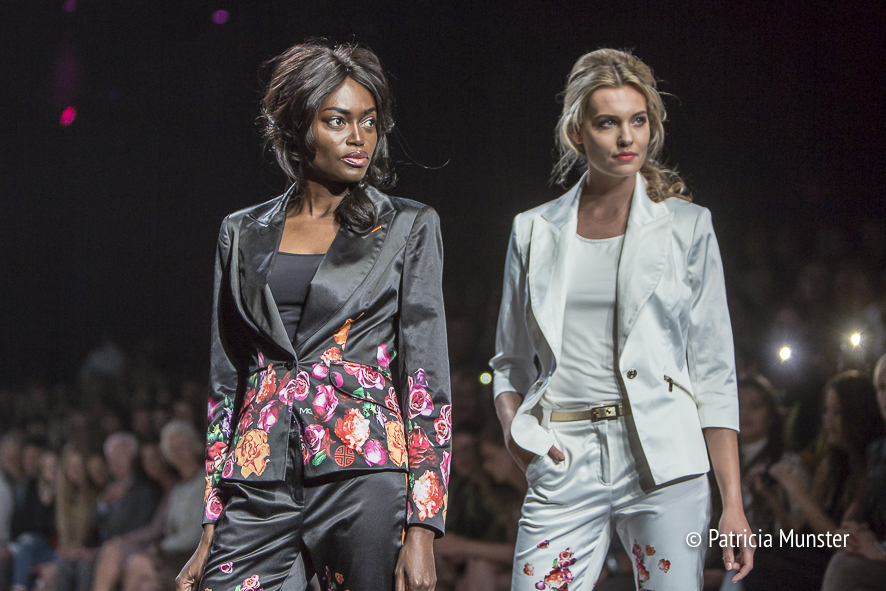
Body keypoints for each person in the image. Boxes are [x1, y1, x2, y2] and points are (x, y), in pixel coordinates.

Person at [176, 41, 451, 591]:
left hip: (364, 470)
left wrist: (423, 526)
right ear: (297, 126)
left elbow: (426, 382)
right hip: (259, 476)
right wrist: (211, 522)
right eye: (337, 121)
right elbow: (227, 383)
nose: (358, 138)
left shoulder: (407, 226)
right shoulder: (241, 231)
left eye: (369, 122)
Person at [490, 48, 752, 591]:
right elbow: (509, 360)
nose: (626, 137)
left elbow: (714, 369)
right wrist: (519, 441)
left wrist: (733, 502)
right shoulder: (534, 230)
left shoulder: (688, 227)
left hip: (666, 462)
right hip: (564, 456)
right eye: (608, 123)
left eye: (638, 120)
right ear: (577, 132)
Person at [744, 370, 884, 590]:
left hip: (830, 562)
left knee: (758, 562)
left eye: (838, 412)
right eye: (826, 411)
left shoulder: (869, 470)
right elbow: (796, 534)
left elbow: (838, 542)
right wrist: (775, 501)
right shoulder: (830, 466)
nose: (828, 420)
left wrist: (797, 490)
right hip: (810, 557)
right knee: (756, 551)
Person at [822, 354, 886, 589]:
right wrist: (857, 534)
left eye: (838, 412)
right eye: (881, 388)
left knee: (844, 567)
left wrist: (880, 548)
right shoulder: (877, 452)